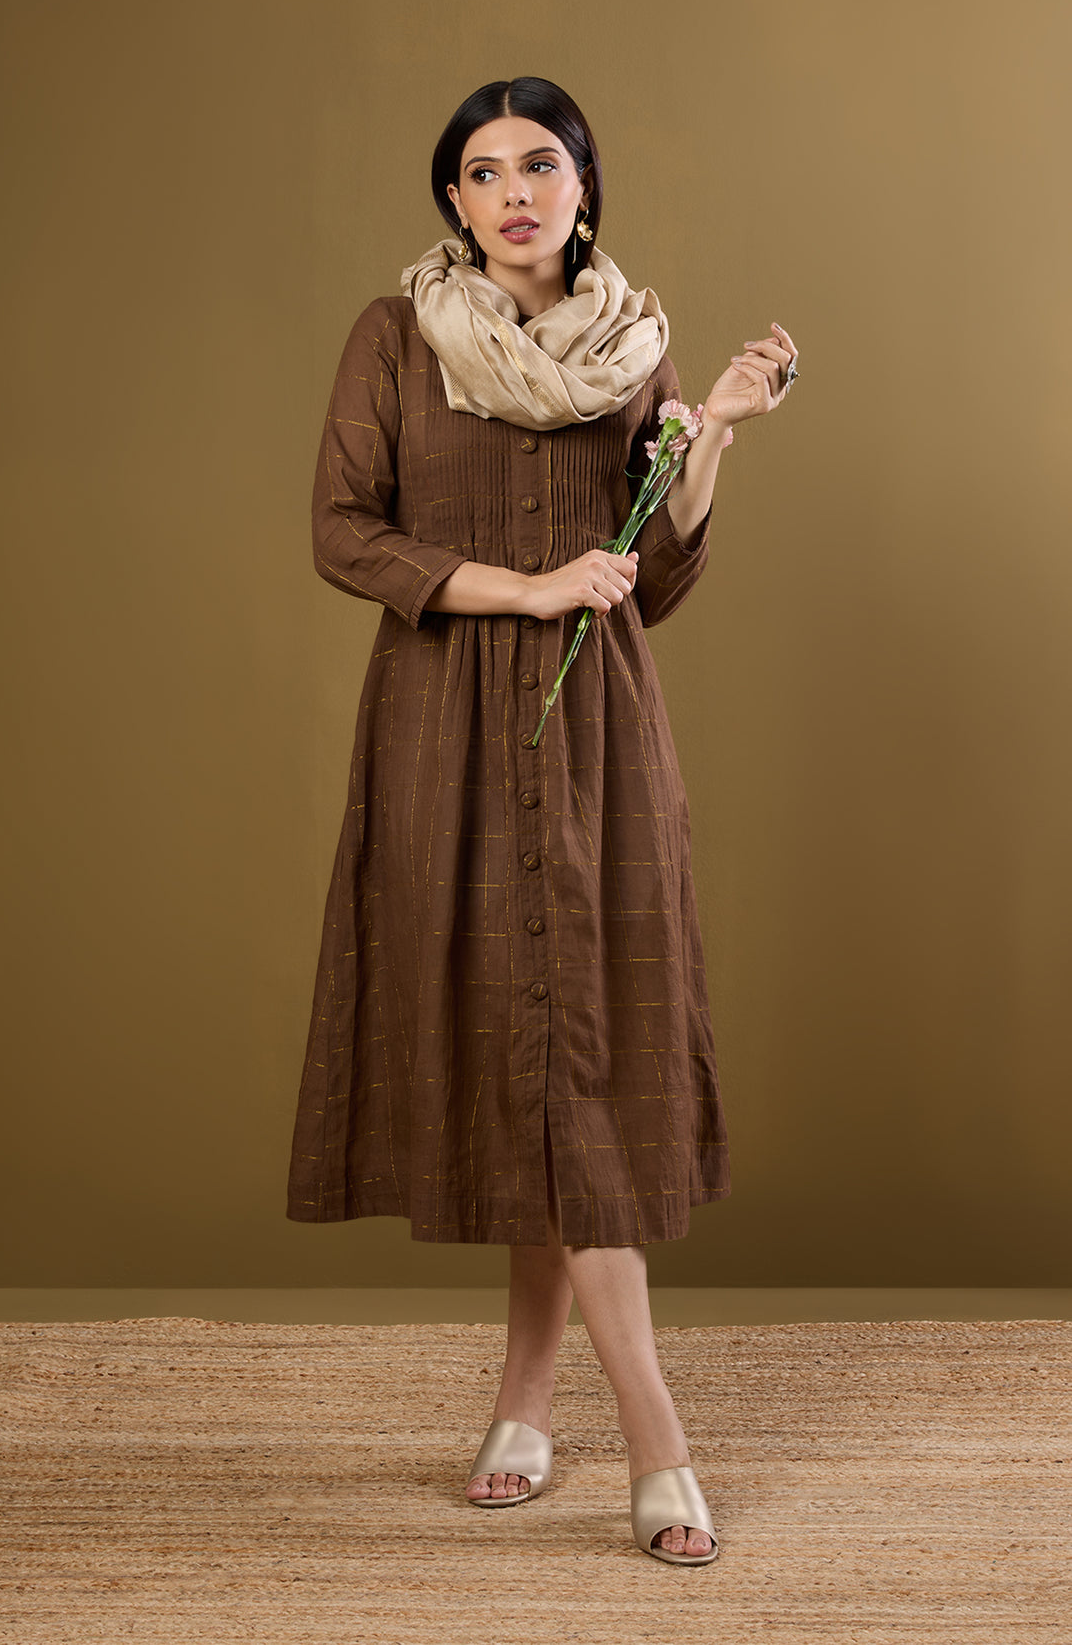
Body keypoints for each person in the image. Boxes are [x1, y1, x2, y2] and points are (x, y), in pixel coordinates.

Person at [286, 76, 798, 1567]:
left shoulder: (636, 347)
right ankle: (610, 1425)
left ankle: (585, 1419)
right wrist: (525, 589)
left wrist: (717, 433)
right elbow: (341, 530)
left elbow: (657, 577)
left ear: (584, 186)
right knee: (522, 1057)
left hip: (596, 743)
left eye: (540, 164)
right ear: (453, 200)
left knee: (573, 1064)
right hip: (443, 730)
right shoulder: (396, 338)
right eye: (482, 170)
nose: (513, 192)